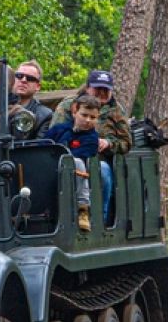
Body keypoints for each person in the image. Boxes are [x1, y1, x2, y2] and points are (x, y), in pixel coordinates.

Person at [51, 69, 131, 222]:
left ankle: (101, 220)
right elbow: (56, 137)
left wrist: (109, 144)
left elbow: (126, 143)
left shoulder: (117, 111)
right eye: (97, 88)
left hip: (101, 161)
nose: (101, 92)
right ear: (88, 88)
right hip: (71, 158)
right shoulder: (70, 105)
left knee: (103, 171)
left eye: (105, 89)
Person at [43, 95, 103, 232]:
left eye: (93, 117)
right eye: (84, 115)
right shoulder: (59, 129)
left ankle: (83, 209)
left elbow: (78, 156)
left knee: (75, 162)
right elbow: (43, 145)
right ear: (74, 112)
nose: (88, 120)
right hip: (49, 169)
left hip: (72, 176)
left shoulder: (92, 139)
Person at [12, 59, 53, 138]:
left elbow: (38, 147)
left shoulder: (45, 115)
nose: (23, 80)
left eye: (30, 78)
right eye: (19, 76)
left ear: (38, 86)